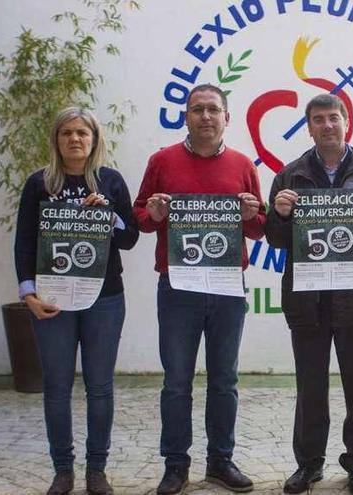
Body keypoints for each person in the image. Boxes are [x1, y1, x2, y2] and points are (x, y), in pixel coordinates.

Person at [133, 84, 266, 494]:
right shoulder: (162, 160)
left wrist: (250, 216)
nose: (205, 116)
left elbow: (260, 228)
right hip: (177, 288)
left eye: (213, 109)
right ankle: (176, 465)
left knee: (224, 380)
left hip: (227, 288)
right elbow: (140, 216)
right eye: (197, 110)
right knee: (177, 381)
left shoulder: (244, 164)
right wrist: (152, 213)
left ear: (226, 117)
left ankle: (220, 462)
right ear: (185, 116)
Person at [265, 94, 353, 495]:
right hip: (307, 299)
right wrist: (281, 214)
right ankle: (308, 465)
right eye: (318, 119)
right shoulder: (289, 176)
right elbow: (274, 239)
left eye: (333, 118)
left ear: (347, 123)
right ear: (308, 127)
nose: (327, 125)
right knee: (310, 386)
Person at [14, 107, 140, 495]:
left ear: (94, 139)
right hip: (51, 301)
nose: (75, 139)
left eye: (82, 133)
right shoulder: (39, 184)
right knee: (57, 387)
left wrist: (109, 216)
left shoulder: (110, 182)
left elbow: (130, 238)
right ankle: (63, 470)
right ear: (56, 139)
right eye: (67, 133)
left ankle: (96, 470)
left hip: (104, 299)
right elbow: (24, 243)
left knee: (100, 387)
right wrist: (28, 294)